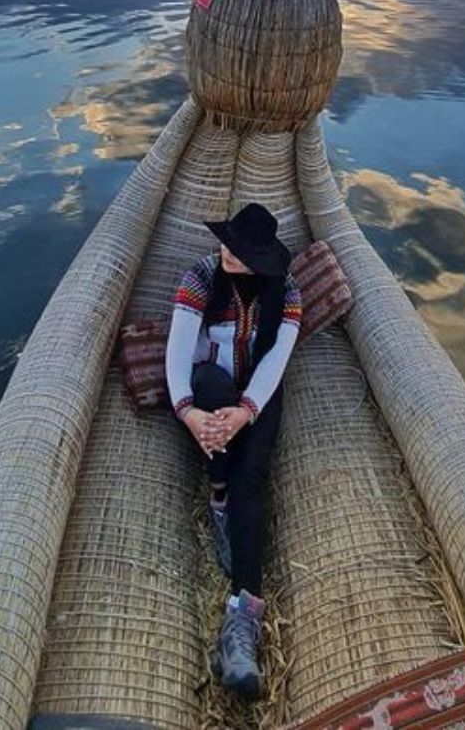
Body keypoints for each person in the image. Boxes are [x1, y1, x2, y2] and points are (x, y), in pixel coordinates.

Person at [164, 202, 302, 700]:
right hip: (208, 391)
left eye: (241, 252)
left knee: (253, 478)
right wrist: (190, 413)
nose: (228, 254)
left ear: (262, 259)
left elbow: (276, 363)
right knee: (214, 390)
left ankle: (242, 623)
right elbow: (178, 354)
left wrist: (247, 411)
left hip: (256, 395)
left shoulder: (286, 292)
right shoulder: (200, 278)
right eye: (227, 244)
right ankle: (215, 496)